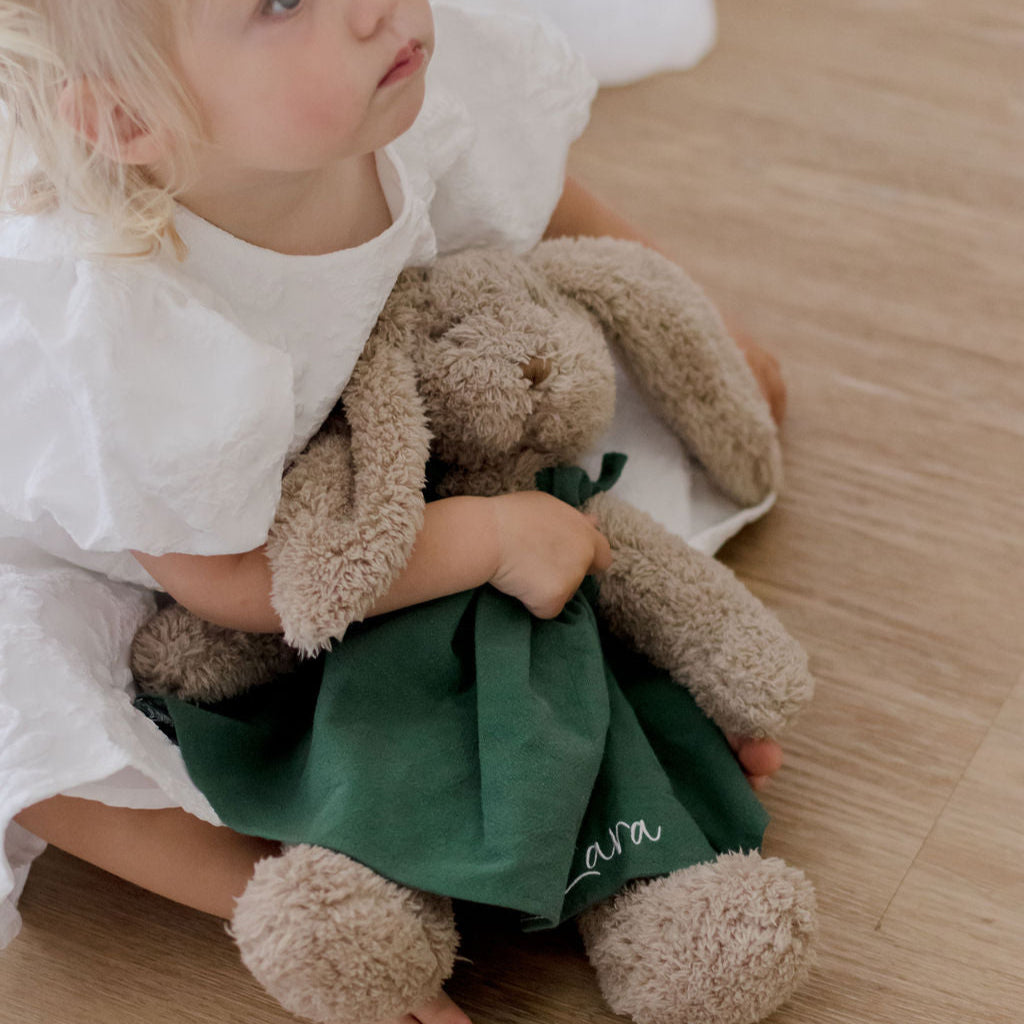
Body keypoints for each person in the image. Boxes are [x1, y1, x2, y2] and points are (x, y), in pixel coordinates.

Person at [1, 3, 786, 1023]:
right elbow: (226, 580)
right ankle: (301, 903)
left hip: (367, 447)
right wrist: (485, 539)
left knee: (559, 472)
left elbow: (539, 192)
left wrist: (701, 323)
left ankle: (612, 745)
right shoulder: (127, 327)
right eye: (282, 0)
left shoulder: (396, 86)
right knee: (28, 717)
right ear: (131, 121)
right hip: (155, 553)